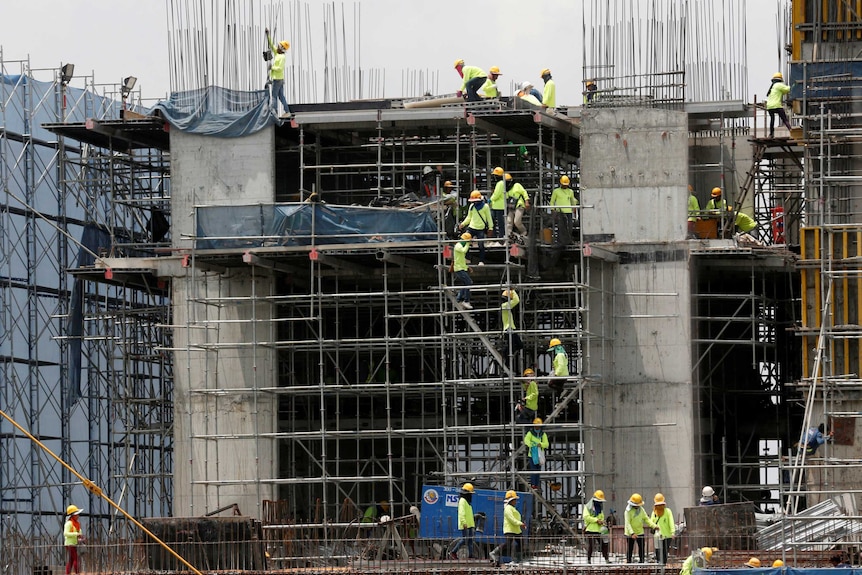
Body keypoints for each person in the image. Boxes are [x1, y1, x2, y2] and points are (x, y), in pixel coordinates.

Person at [489, 490, 525, 566]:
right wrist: (520, 523)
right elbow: (511, 519)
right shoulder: (508, 508)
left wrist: (520, 524)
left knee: (520, 543)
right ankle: (494, 553)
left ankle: (518, 559)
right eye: (514, 500)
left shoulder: (512, 508)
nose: (515, 501)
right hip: (510, 530)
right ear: (510, 500)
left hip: (516, 530)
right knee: (508, 544)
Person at [459, 190, 492, 265]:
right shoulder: (472, 206)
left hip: (480, 229)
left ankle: (481, 261)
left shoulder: (485, 207)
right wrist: (463, 224)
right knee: (464, 241)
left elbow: (489, 218)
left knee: (481, 245)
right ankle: (467, 258)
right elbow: (469, 217)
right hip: (471, 228)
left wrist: (491, 228)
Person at [624, 493, 657, 563]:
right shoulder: (628, 511)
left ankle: (642, 561)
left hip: (640, 532)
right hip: (630, 533)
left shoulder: (641, 509)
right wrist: (632, 533)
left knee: (642, 547)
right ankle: (629, 561)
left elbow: (646, 519)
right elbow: (627, 523)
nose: (638, 507)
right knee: (630, 548)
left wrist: (654, 526)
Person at [264, 28, 290, 116]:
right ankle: (287, 111)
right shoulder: (277, 54)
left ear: (282, 48)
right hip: (279, 79)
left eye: (279, 46)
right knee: (281, 96)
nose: (278, 46)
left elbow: (280, 68)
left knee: (274, 96)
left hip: (277, 79)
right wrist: (268, 35)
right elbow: (271, 45)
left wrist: (272, 67)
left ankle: (273, 112)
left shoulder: (282, 57)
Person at [583, 489, 611, 564]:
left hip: (599, 530)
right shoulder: (588, 507)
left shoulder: (599, 508)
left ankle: (606, 559)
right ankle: (588, 560)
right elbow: (586, 517)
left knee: (603, 545)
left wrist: (602, 521)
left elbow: (601, 516)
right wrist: (596, 520)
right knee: (591, 546)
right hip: (590, 530)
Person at [449, 482, 476, 559]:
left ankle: (471, 555)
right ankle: (453, 552)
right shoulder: (462, 501)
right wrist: (464, 523)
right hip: (465, 524)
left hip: (470, 524)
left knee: (470, 540)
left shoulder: (467, 502)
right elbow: (461, 513)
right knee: (465, 539)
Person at [550, 175, 577, 244]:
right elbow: (552, 201)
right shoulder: (556, 191)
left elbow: (572, 201)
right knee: (561, 227)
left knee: (570, 227)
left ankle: (568, 240)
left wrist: (574, 208)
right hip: (560, 212)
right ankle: (560, 241)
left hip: (569, 212)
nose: (565, 186)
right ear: (561, 183)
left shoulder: (570, 191)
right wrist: (553, 210)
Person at [523, 418, 549, 489]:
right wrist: (532, 444)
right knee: (533, 470)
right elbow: (526, 440)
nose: (537, 427)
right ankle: (533, 484)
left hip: (540, 455)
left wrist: (541, 444)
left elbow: (546, 444)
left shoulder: (543, 434)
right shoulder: (530, 433)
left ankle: (536, 484)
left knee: (538, 470)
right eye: (536, 425)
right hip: (532, 455)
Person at [650, 493, 676, 564]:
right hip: (657, 536)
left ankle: (663, 565)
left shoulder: (668, 511)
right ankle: (659, 565)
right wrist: (654, 526)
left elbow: (671, 522)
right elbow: (651, 523)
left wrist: (673, 532)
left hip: (667, 536)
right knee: (658, 551)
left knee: (665, 551)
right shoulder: (654, 513)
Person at [499, 290, 524, 362]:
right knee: (511, 348)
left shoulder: (505, 306)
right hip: (508, 329)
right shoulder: (505, 305)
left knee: (520, 345)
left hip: (512, 329)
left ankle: (505, 353)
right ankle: (505, 358)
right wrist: (513, 291)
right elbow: (516, 300)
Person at [766, 72, 792, 138]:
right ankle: (792, 132)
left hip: (769, 106)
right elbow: (788, 89)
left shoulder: (772, 87)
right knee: (785, 119)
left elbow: (783, 92)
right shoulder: (779, 85)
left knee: (772, 120)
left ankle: (771, 134)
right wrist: (794, 85)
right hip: (776, 105)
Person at [453, 232, 473, 309]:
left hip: (461, 267)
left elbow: (461, 259)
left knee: (465, 283)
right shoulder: (458, 245)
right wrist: (468, 243)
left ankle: (459, 298)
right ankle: (466, 301)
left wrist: (467, 267)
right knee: (469, 282)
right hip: (459, 268)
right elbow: (464, 251)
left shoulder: (460, 245)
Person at [64, 505, 84, 575]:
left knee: (71, 560)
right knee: (76, 558)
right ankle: (77, 572)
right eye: (76, 515)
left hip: (74, 543)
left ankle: (67, 573)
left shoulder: (77, 524)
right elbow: (65, 533)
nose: (78, 516)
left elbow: (79, 531)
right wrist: (76, 534)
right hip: (69, 544)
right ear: (72, 516)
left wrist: (80, 536)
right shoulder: (68, 523)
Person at [489, 167, 507, 241]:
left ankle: (499, 237)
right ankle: (498, 236)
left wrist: (490, 199)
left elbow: (496, 194)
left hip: (498, 206)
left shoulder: (500, 183)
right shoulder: (501, 183)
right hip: (497, 206)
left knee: (499, 223)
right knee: (497, 222)